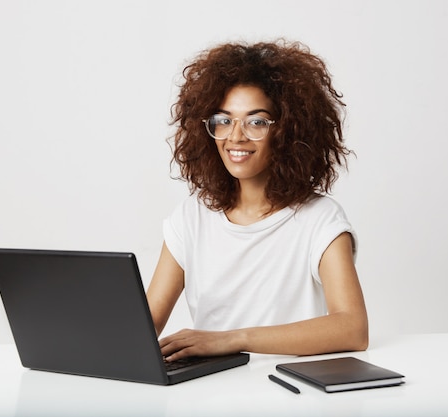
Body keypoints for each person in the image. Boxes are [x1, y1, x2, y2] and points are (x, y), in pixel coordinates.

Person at [146, 39, 368, 362]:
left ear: (287, 130)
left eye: (256, 122)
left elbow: (353, 328)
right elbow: (145, 324)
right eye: (224, 120)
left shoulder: (320, 220)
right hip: (209, 397)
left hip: (291, 397)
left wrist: (234, 339)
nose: (236, 136)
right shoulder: (190, 219)